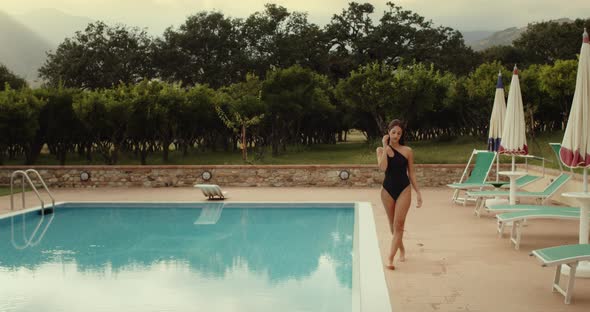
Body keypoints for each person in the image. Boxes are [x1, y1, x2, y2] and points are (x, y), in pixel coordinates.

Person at [376, 119, 423, 270]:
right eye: (393, 132)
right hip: (387, 190)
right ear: (388, 132)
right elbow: (383, 168)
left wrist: (419, 193)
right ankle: (401, 248)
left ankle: (390, 258)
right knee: (392, 227)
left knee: (399, 225)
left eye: (399, 133)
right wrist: (385, 146)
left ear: (401, 135)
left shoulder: (407, 151)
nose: (396, 135)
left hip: (404, 189)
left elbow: (412, 174)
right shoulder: (380, 150)